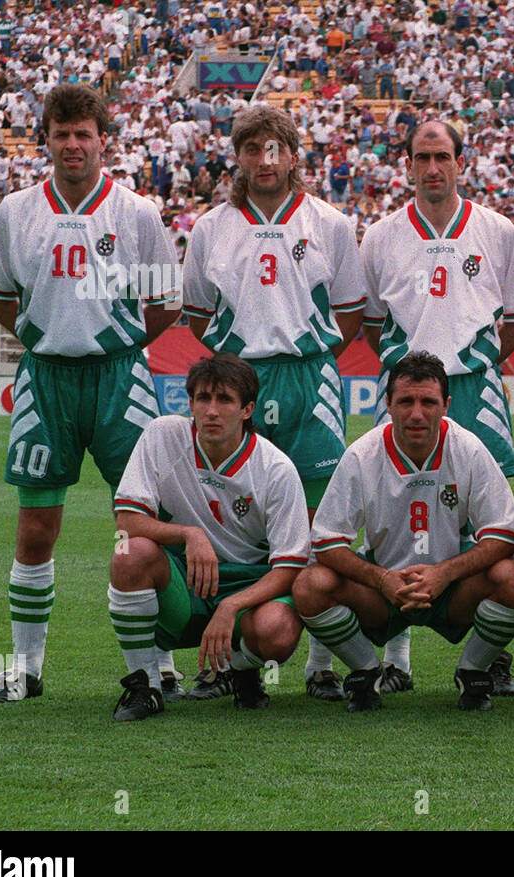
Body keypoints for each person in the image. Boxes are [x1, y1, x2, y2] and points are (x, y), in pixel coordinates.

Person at [0, 84, 180, 704]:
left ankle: (158, 668)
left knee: (143, 525)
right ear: (46, 140)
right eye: (61, 134)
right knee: (36, 527)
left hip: (121, 380)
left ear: (102, 140)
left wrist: (114, 340)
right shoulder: (16, 211)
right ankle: (26, 671)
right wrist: (48, 338)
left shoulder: (135, 212)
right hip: (46, 380)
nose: (72, 145)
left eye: (83, 134)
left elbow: (166, 304)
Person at [180, 104, 363, 705]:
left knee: (320, 526)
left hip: (311, 381)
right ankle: (231, 662)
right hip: (240, 383)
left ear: (293, 154)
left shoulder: (330, 222)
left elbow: (354, 311)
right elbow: (196, 314)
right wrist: (234, 365)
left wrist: (312, 348)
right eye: (254, 148)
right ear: (238, 155)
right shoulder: (211, 227)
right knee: (232, 516)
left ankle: (320, 665)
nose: (266, 159)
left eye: (276, 148)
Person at [356, 118, 514, 696]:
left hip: (477, 392)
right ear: (407, 164)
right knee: (391, 512)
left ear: (462, 162)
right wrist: (412, 377)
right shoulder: (380, 235)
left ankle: (490, 658)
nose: (433, 168)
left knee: (493, 520)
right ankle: (396, 651)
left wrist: (473, 362)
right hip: (407, 393)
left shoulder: (497, 230)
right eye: (422, 157)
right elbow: (369, 323)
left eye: (443, 157)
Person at [292, 352, 514, 712]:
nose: (417, 413)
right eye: (405, 401)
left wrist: (444, 573)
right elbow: (326, 541)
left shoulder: (467, 448)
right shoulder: (362, 455)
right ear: (387, 404)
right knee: (310, 585)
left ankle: (473, 671)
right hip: (382, 592)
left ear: (447, 405)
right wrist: (381, 578)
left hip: (451, 589)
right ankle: (365, 670)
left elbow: (502, 534)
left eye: (428, 402)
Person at [108, 354, 310, 721]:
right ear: (190, 404)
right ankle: (146, 684)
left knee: (277, 632)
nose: (212, 411)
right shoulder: (163, 435)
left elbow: (290, 567)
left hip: (249, 584)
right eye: (203, 399)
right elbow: (127, 521)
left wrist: (231, 606)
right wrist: (189, 534)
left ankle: (241, 667)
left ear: (247, 409)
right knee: (128, 551)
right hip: (186, 580)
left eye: (225, 400)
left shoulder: (276, 469)